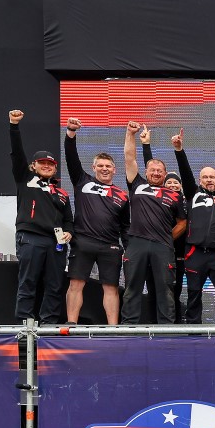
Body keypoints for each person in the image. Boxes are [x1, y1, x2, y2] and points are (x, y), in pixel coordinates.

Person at [8, 109, 72, 324]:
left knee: (54, 285)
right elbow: (17, 154)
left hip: (56, 243)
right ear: (33, 165)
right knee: (28, 282)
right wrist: (14, 126)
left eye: (51, 164)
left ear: (55, 169)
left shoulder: (61, 192)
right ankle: (25, 325)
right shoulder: (25, 179)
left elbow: (68, 220)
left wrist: (69, 233)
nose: (46, 166)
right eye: (42, 162)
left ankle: (48, 324)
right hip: (31, 237)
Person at [170, 129, 215, 324]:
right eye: (205, 177)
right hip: (195, 253)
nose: (209, 180)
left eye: (212, 177)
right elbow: (185, 173)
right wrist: (179, 150)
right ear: (200, 181)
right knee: (194, 294)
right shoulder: (194, 195)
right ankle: (194, 331)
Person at [63, 117, 126, 324]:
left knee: (111, 287)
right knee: (76, 284)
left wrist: (128, 249)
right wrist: (71, 133)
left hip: (110, 245)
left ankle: (113, 328)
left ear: (115, 170)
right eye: (100, 165)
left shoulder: (122, 195)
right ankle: (71, 324)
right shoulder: (82, 181)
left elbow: (125, 226)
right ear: (94, 167)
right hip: (83, 241)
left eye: (108, 166)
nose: (104, 169)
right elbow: (71, 157)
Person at [121, 120, 185, 324]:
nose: (156, 173)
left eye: (160, 171)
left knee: (165, 288)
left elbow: (182, 222)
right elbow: (129, 158)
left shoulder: (174, 195)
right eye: (152, 170)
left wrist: (167, 237)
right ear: (146, 172)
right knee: (132, 287)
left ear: (165, 174)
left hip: (163, 246)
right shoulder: (137, 185)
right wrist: (130, 134)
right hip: (136, 243)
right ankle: (129, 327)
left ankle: (166, 329)